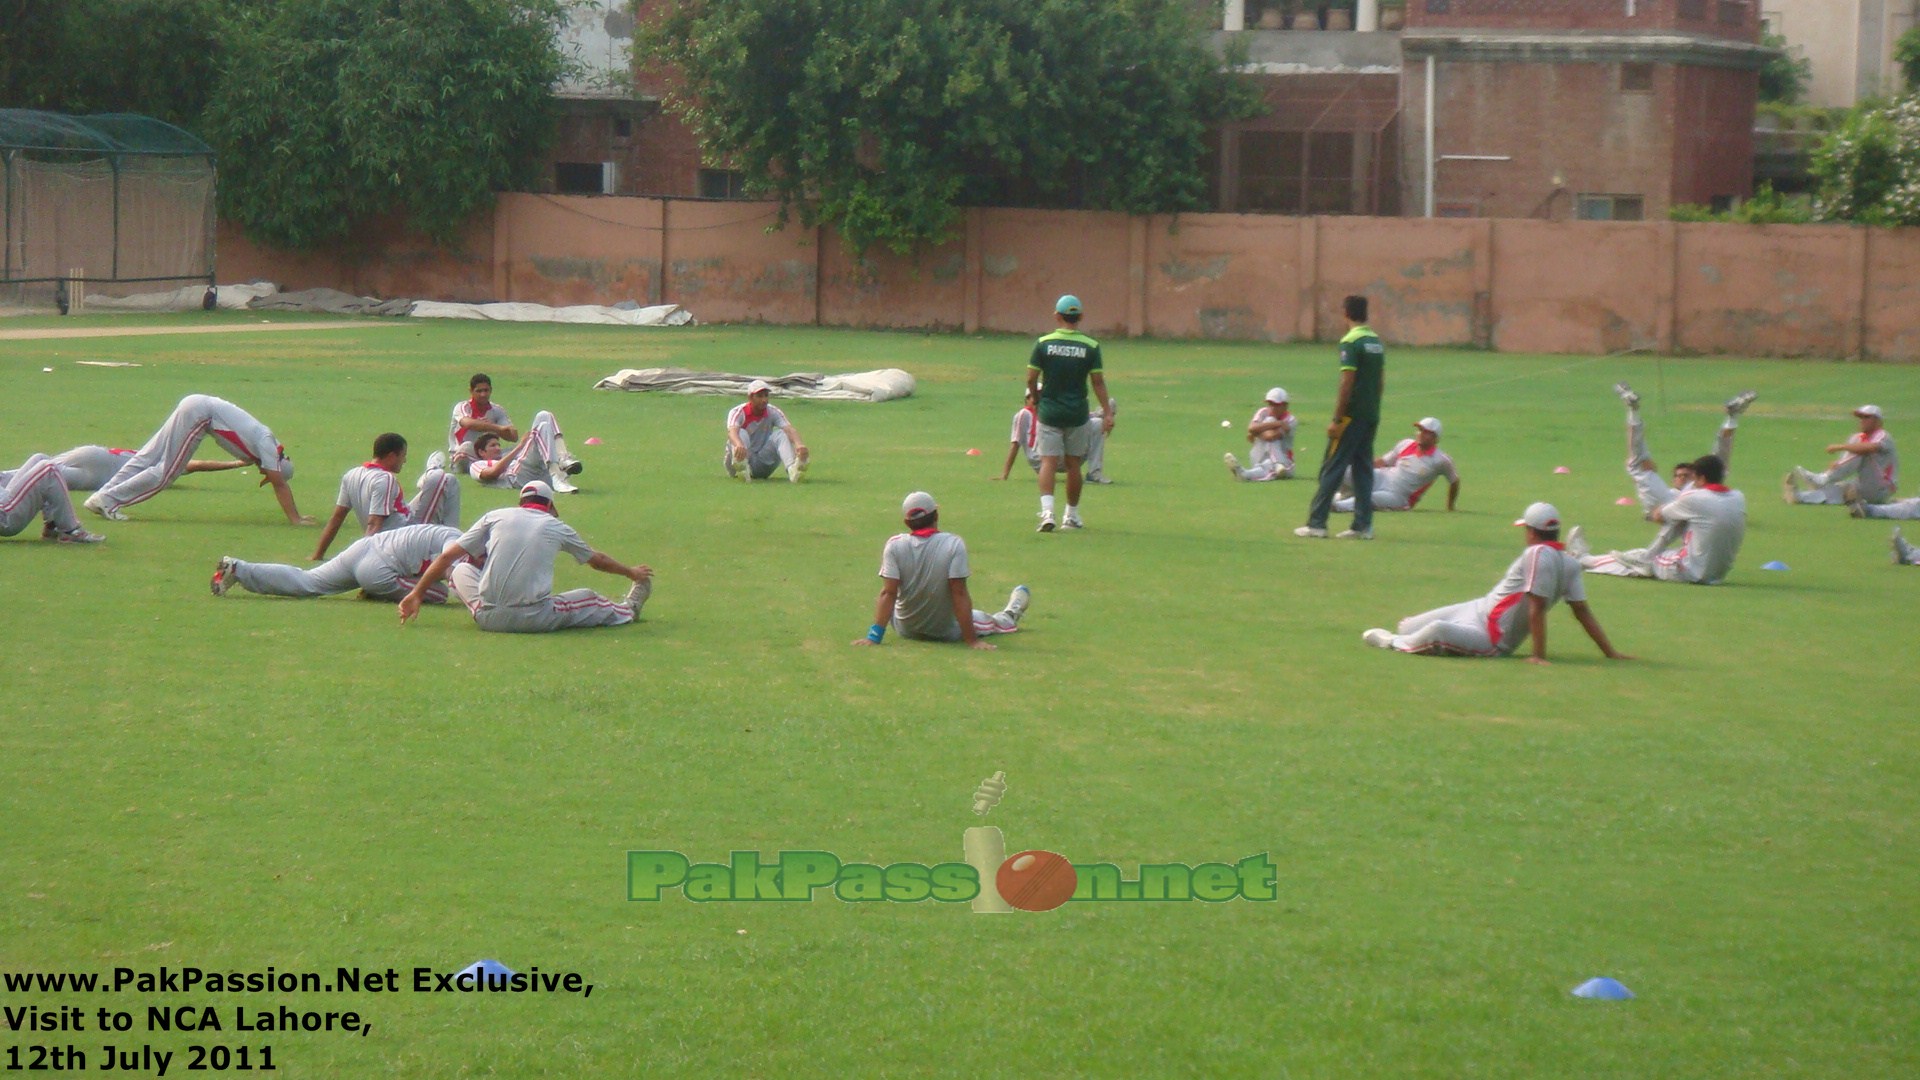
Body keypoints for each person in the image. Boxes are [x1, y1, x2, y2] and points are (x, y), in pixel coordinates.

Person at [1361, 502, 1627, 663]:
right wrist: (1610, 652)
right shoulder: (1568, 562)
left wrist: (1538, 655)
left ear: (1532, 532)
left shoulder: (1536, 553)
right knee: (1408, 625)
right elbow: (1583, 613)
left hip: (1491, 638)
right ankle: (1402, 636)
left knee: (1436, 631)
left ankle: (1391, 643)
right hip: (1478, 609)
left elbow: (1536, 606)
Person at [398, 480, 650, 633]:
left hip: (487, 617)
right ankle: (628, 610)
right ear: (551, 507)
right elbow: (597, 561)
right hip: (534, 618)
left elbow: (445, 558)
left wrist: (417, 593)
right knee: (590, 598)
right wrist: (631, 572)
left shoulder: (495, 515)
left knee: (460, 570)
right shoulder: (555, 525)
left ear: (521, 503)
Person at [83, 394, 310, 524]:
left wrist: (239, 463)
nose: (263, 473)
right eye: (267, 472)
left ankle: (101, 496)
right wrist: (295, 518)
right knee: (167, 472)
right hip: (201, 415)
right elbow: (280, 484)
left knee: (147, 457)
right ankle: (110, 500)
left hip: (197, 405)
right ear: (278, 465)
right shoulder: (268, 445)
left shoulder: (260, 448)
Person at [852, 491, 1030, 650]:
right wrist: (972, 640)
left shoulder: (894, 545)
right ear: (936, 515)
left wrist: (873, 637)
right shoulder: (953, 544)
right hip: (946, 631)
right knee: (987, 620)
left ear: (907, 522)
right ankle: (1010, 614)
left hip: (905, 628)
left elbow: (888, 593)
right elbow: (958, 593)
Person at [1569, 454, 1746, 584]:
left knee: (1637, 559)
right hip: (1718, 575)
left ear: (1702, 478)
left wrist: (1658, 511)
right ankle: (1641, 558)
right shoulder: (1738, 497)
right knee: (1645, 558)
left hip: (1690, 570)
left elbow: (1659, 515)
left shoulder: (1695, 498)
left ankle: (1582, 559)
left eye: (1693, 478)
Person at [1297, 295, 1385, 539]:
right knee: (1363, 470)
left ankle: (1317, 523)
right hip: (1371, 415)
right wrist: (1373, 408)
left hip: (1351, 417)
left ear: (1345, 312)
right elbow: (1380, 382)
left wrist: (1337, 418)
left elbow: (1347, 381)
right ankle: (1363, 526)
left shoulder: (1351, 341)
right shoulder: (1376, 342)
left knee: (1333, 468)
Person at [1026, 294, 1113, 531]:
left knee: (1048, 462)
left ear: (1057, 316)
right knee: (1074, 464)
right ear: (1080, 317)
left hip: (1050, 412)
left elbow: (1031, 378)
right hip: (1077, 413)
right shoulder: (1091, 346)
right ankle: (1071, 516)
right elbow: (1098, 383)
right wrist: (1107, 412)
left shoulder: (1043, 343)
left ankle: (1047, 513)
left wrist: (1035, 398)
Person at [212, 524, 465, 602]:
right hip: (379, 570)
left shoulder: (441, 532)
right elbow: (451, 568)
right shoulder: (455, 538)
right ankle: (376, 592)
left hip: (363, 548)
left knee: (307, 581)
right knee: (439, 595)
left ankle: (237, 568)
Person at [1614, 382, 1753, 516]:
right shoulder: (1668, 492)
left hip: (1690, 503)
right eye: (1678, 476)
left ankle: (1633, 410)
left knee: (1716, 464)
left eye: (1685, 475)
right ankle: (1732, 417)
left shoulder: (1697, 489)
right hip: (1666, 504)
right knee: (1638, 465)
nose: (1681, 478)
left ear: (1696, 477)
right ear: (1672, 480)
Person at [311, 433, 411, 561]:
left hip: (389, 539)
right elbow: (374, 523)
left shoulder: (351, 475)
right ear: (392, 456)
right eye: (403, 456)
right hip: (401, 540)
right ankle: (434, 470)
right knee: (439, 484)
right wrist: (362, 558)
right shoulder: (385, 479)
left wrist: (318, 554)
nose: (405, 461)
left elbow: (337, 518)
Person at [1332, 417, 1457, 512]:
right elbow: (1383, 462)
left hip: (1399, 496)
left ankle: (1337, 506)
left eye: (1425, 432)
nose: (1420, 434)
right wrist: (1359, 463)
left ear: (1435, 437)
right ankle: (1340, 497)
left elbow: (1454, 481)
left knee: (1369, 498)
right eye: (1420, 430)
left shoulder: (1441, 460)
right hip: (1383, 478)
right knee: (1347, 472)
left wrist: (1450, 506)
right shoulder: (1406, 444)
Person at [1784, 405, 1897, 505]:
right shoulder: (1858, 437)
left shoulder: (1883, 436)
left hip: (1882, 487)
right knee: (1837, 490)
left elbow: (1869, 448)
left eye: (1866, 417)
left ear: (1878, 421)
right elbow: (1850, 457)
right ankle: (1799, 497)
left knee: (1860, 449)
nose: (1862, 420)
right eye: (1860, 417)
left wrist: (1841, 447)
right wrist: (1837, 465)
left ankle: (1823, 479)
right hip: (1864, 485)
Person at [466, 407, 583, 494]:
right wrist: (520, 446)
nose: (498, 448)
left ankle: (563, 459)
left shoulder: (505, 453)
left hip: (540, 474)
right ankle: (557, 476)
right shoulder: (477, 465)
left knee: (544, 415)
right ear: (481, 452)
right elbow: (491, 474)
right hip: (518, 478)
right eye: (492, 446)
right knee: (542, 427)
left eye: (498, 444)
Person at [31, 445, 248, 491]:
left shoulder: (145, 452)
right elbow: (198, 465)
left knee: (41, 464)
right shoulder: (164, 463)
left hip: (93, 452)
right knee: (45, 478)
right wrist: (236, 463)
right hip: (96, 474)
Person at [1, 453, 105, 543]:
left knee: (39, 459)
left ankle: (53, 525)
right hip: (5, 516)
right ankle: (70, 531)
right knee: (48, 469)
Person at [724, 379, 809, 482]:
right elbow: (732, 432)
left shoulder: (773, 411)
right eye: (759, 396)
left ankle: (792, 469)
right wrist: (739, 445)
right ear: (750, 397)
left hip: (761, 462)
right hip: (741, 457)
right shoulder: (738, 412)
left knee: (781, 434)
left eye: (766, 395)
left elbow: (789, 429)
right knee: (741, 433)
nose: (764, 400)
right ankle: (741, 467)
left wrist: (799, 445)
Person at [1224, 388, 1297, 482]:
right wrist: (1278, 423)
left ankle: (1244, 473)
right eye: (1270, 404)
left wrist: (1256, 432)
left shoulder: (1291, 420)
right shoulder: (1263, 412)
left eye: (1276, 405)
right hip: (1260, 456)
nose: (1272, 408)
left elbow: (1270, 436)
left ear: (1285, 406)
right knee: (1270, 420)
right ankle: (1275, 465)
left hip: (1285, 463)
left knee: (1269, 467)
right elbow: (1251, 428)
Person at [448, 373, 518, 470]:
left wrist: (492, 427)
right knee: (466, 447)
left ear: (491, 390)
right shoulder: (463, 407)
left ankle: (490, 465)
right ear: (471, 391)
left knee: (517, 449)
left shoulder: (497, 410)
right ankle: (491, 466)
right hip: (466, 453)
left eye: (486, 390)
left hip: (488, 454)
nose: (483, 394)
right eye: (479, 391)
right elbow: (467, 423)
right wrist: (495, 427)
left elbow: (513, 436)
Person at [996, 386, 1044, 481]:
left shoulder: (1045, 414)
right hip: (1039, 457)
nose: (1039, 399)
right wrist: (1005, 474)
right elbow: (1015, 444)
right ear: (1027, 399)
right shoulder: (1024, 414)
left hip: (1051, 456)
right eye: (1036, 396)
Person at [1084, 397, 1116, 484]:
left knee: (1098, 423)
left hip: (1073, 459)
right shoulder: (1048, 410)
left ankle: (1094, 474)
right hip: (1047, 460)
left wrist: (1105, 417)